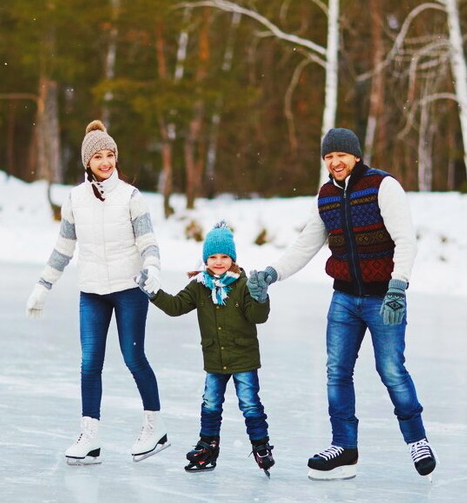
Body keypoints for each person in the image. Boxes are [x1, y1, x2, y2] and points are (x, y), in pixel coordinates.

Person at [246, 127, 435, 481]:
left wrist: (398, 286)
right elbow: (305, 245)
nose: (335, 162)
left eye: (341, 155)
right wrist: (272, 273)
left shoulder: (382, 186)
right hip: (344, 299)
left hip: (385, 298)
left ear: (356, 156)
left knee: (391, 370)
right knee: (337, 372)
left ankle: (417, 440)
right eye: (329, 156)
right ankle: (344, 446)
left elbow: (405, 240)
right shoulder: (326, 196)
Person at [26, 120, 169, 466]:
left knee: (133, 357)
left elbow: (148, 242)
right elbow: (63, 249)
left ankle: (156, 428)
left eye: (110, 155)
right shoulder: (75, 199)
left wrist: (152, 268)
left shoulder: (131, 197)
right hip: (92, 292)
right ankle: (90, 437)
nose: (105, 162)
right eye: (98, 157)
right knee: (90, 363)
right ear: (87, 162)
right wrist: (43, 285)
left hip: (129, 289)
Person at [137, 221, 275, 476]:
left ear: (233, 259)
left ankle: (261, 445)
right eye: (213, 257)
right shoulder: (199, 286)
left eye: (224, 257)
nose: (218, 262)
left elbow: (258, 317)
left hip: (243, 358)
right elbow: (176, 306)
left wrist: (260, 297)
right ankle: (207, 446)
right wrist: (154, 292)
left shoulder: (244, 285)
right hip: (215, 358)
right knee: (210, 404)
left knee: (250, 404)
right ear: (205, 259)